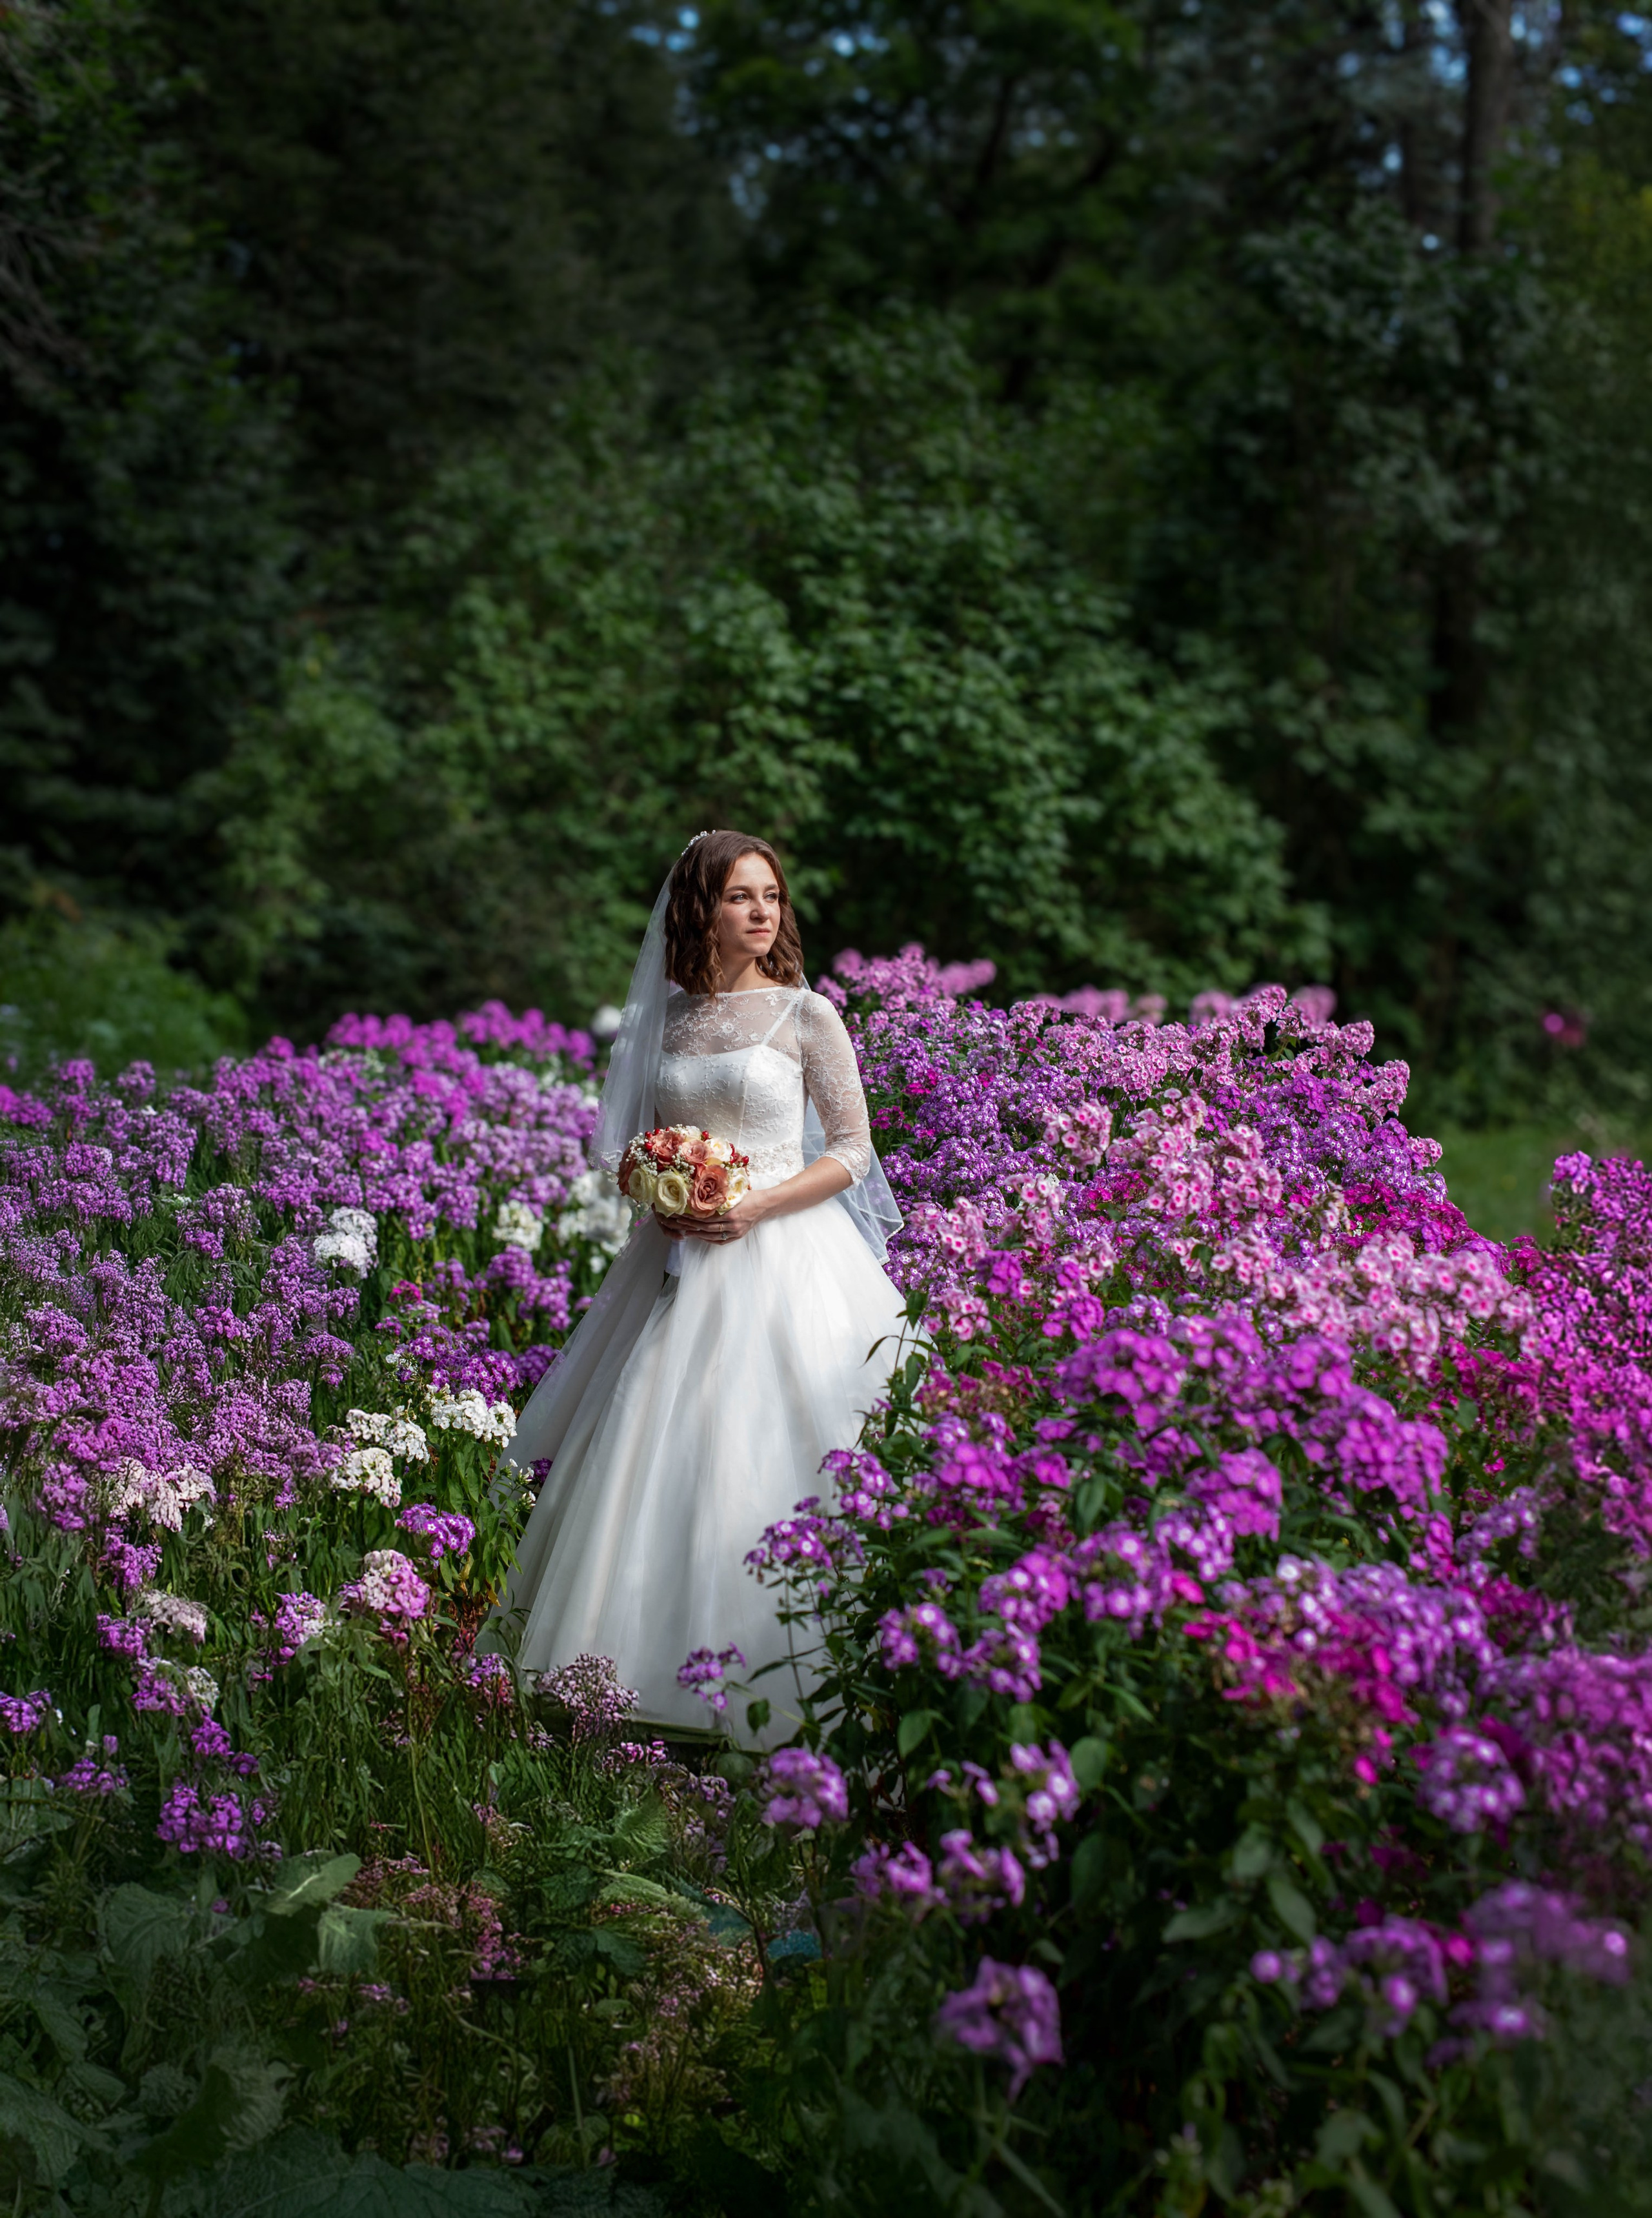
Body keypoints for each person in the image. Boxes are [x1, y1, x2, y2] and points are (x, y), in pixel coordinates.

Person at [494, 830, 914, 1732]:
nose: (762, 912)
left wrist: (754, 1206)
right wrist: (661, 1190)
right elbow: (635, 1151)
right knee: (659, 1445)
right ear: (700, 909)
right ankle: (629, 1680)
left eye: (771, 896)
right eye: (740, 897)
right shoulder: (667, 1022)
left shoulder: (808, 1015)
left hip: (788, 1250)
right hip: (679, 1252)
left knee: (781, 1449)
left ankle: (804, 1689)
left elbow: (852, 1149)